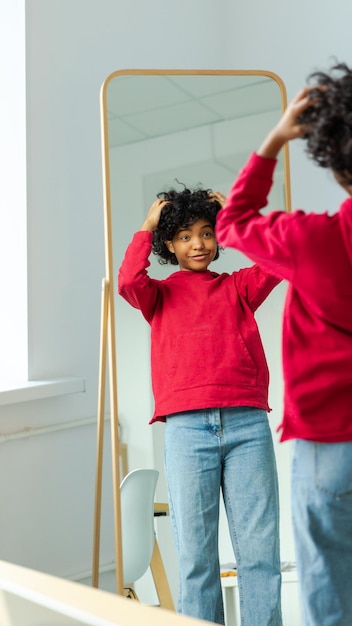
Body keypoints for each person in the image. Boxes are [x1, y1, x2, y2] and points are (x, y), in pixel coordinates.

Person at [215, 62, 352, 626]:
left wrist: (276, 138)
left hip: (335, 448)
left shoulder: (308, 240)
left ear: (334, 160)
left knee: (336, 613)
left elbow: (232, 222)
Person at [118, 186, 283, 625]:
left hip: (247, 425)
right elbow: (128, 283)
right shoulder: (159, 295)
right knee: (196, 560)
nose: (198, 244)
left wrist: (235, 215)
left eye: (207, 233)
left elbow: (276, 259)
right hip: (187, 432)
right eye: (185, 236)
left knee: (260, 555)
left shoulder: (238, 287)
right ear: (169, 245)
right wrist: (146, 227)